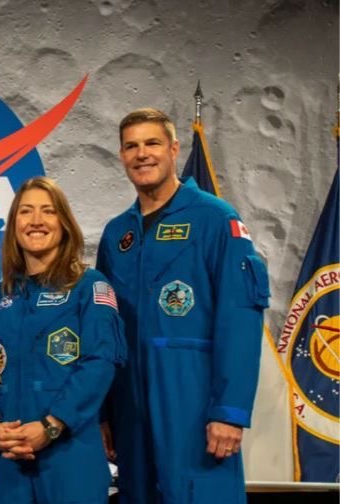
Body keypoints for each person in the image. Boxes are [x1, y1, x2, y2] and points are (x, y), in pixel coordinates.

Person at [96, 108, 271, 503]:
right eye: (131, 146)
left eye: (152, 143)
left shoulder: (215, 219)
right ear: (122, 156)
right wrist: (103, 413)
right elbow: (104, 332)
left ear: (174, 149)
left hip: (193, 404)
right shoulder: (116, 235)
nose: (142, 154)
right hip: (130, 409)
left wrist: (229, 411)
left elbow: (240, 322)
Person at [0, 176, 126, 503]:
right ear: (14, 226)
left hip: (71, 452)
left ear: (64, 223)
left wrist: (52, 425)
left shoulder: (88, 287)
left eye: (48, 211)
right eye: (26, 211)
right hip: (12, 457)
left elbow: (100, 362)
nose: (36, 220)